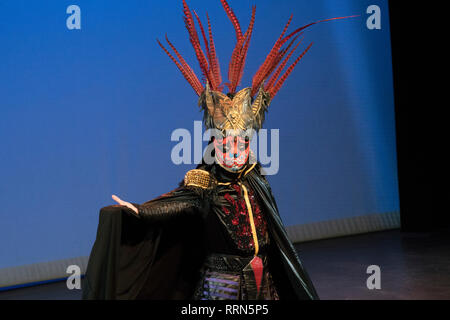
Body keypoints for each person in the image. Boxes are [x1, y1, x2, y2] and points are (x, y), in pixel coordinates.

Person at [82, 0, 355, 300]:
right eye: (226, 144)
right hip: (222, 286)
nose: (235, 151)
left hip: (264, 285)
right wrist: (139, 211)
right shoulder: (204, 182)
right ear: (214, 144)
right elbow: (177, 205)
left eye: (242, 144)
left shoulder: (255, 178)